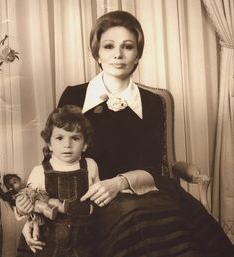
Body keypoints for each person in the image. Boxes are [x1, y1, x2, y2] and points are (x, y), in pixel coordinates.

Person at [19, 10, 233, 257]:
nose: (118, 55)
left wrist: (118, 183)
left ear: (137, 55)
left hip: (145, 189)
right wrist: (34, 214)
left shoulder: (152, 102)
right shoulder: (74, 95)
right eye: (109, 46)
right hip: (90, 197)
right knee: (130, 220)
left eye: (127, 47)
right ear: (97, 53)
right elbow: (54, 161)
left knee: (168, 226)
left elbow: (155, 167)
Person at [16, 105, 99, 257]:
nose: (67, 144)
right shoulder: (40, 170)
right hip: (47, 243)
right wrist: (22, 207)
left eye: (75, 138)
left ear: (85, 144)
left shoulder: (91, 166)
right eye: (59, 138)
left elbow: (98, 199)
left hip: (83, 242)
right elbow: (30, 202)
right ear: (49, 144)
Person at [2, 173, 68, 220]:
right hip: (35, 202)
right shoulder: (20, 195)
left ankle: (62, 208)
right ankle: (50, 214)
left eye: (15, 180)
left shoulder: (28, 186)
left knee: (54, 201)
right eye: (14, 184)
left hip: (42, 197)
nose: (17, 183)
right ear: (12, 189)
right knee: (44, 206)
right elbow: (20, 205)